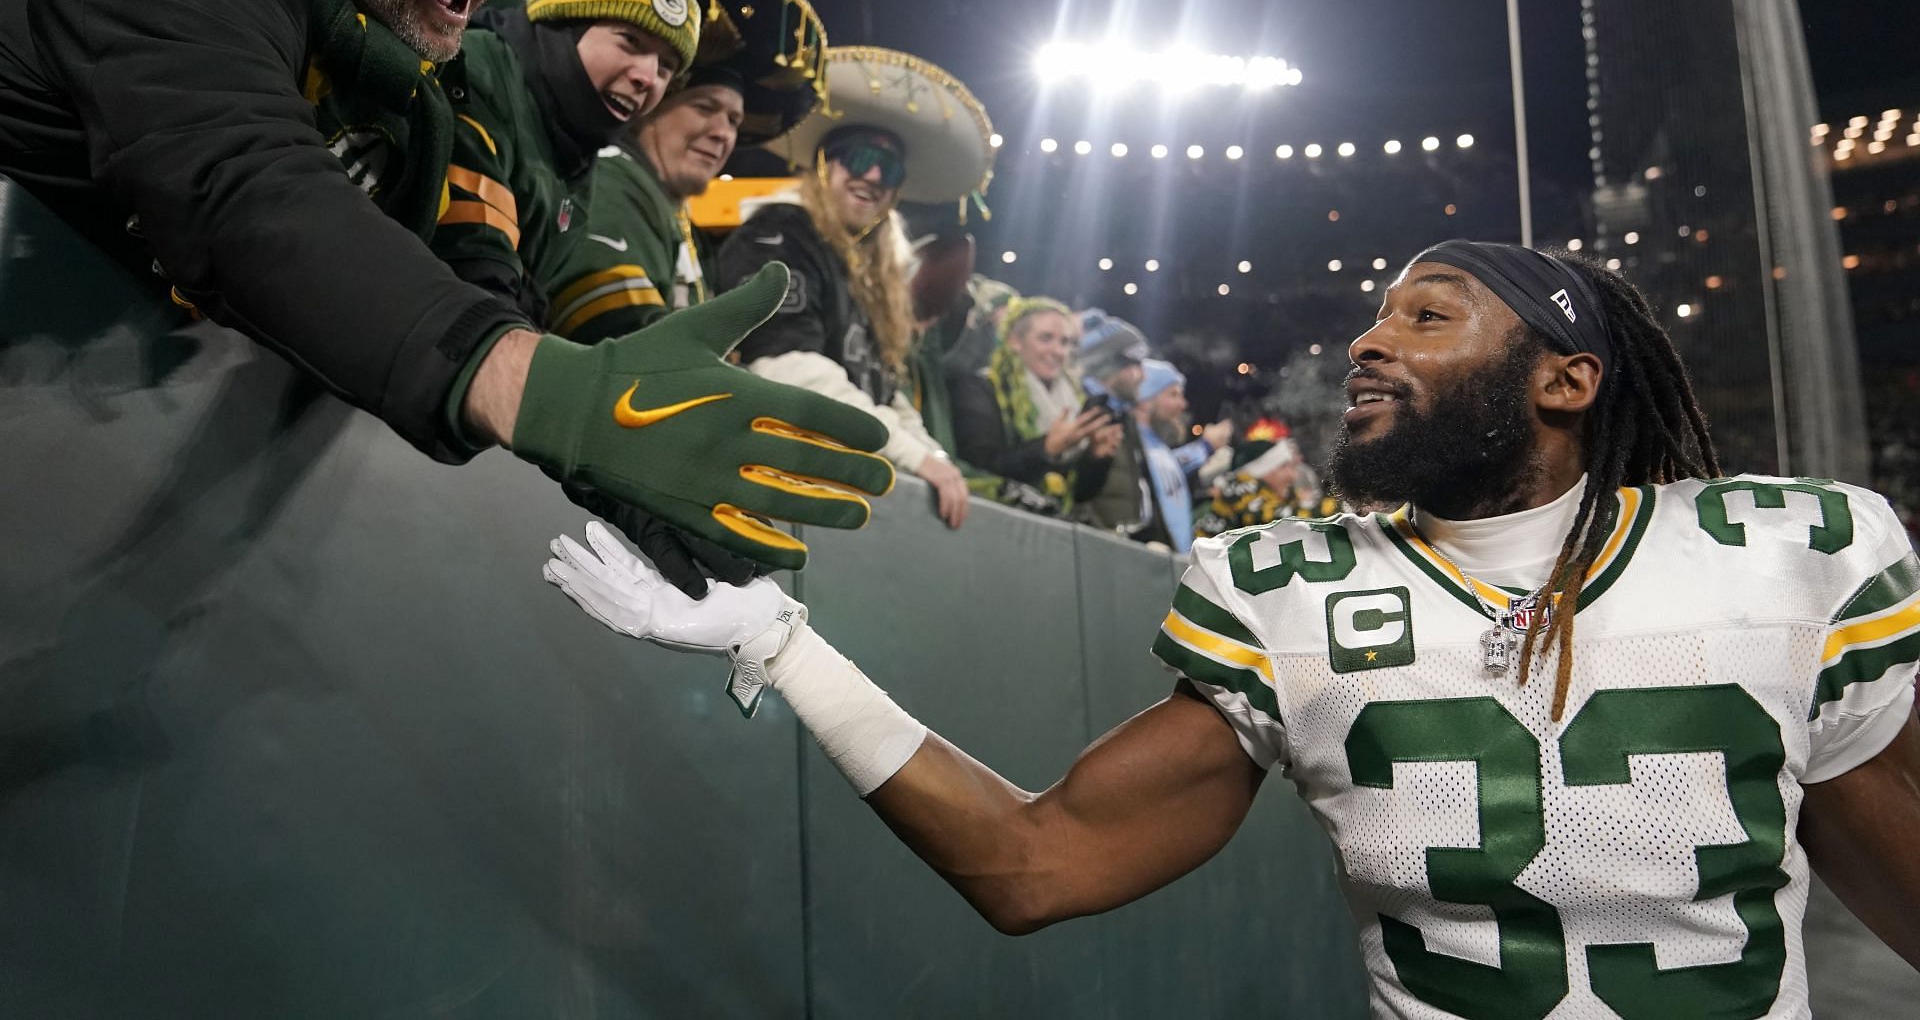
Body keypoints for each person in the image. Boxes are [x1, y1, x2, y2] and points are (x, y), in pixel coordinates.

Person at [544, 239, 1920, 1016]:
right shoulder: (1290, 589)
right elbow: (1038, 865)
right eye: (1374, 311)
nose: (1372, 341)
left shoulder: (1789, 559)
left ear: (1566, 379)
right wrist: (782, 644)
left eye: (1427, 315)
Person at [0, 0, 892, 577]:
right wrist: (534, 389)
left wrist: (603, 441)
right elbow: (250, 192)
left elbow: (465, 247)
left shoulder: (403, 34)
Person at [717, 46, 996, 531]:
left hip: (835, 489)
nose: (871, 177)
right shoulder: (781, 233)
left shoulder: (868, 272)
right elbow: (788, 369)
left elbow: (883, 391)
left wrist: (934, 457)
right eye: (860, 159)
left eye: (887, 171)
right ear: (826, 162)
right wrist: (915, 458)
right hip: (770, 491)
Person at [431, 0, 696, 326]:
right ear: (565, 23)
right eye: (629, 42)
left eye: (666, 67)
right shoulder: (478, 75)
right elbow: (470, 281)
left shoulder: (573, 145)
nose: (647, 78)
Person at [546, 0, 828, 343]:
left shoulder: (677, 218)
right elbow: (625, 344)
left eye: (734, 120)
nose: (723, 133)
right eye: (705, 107)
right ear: (650, 108)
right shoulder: (611, 181)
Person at [949, 295, 1120, 513]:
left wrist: (1097, 459)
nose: (1058, 351)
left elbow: (1079, 495)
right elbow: (981, 467)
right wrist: (1046, 448)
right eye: (1046, 338)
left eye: (1065, 342)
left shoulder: (1075, 401)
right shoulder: (980, 389)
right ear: (1014, 341)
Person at [1068, 309, 1158, 539]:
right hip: (1095, 550)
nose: (1143, 376)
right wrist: (1102, 536)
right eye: (1133, 365)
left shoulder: (1121, 416)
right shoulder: (1081, 413)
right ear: (1107, 365)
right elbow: (1073, 491)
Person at [1133, 358, 1232, 554]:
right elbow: (1154, 470)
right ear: (1145, 400)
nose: (1183, 404)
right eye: (1173, 394)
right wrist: (1205, 447)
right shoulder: (1130, 439)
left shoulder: (1157, 444)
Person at [1191, 418, 1338, 540]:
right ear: (1262, 470)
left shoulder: (1272, 493)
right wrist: (1341, 507)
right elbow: (1278, 521)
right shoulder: (1239, 487)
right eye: (1284, 467)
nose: (1292, 476)